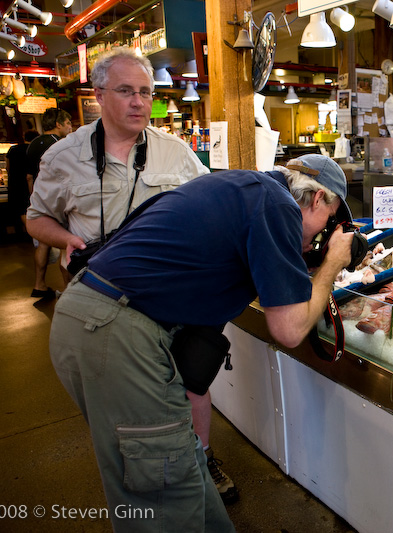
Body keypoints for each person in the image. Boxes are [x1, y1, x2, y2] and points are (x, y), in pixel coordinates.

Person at [47, 155, 355, 531]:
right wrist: (331, 265)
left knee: (186, 477)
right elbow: (289, 330)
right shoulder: (276, 204)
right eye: (330, 219)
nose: (325, 233)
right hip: (116, 331)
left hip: (97, 318)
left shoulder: (244, 188)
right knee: (163, 492)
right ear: (318, 198)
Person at [26, 47, 238, 504]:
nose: (139, 102)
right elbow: (36, 217)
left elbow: (211, 202)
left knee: (192, 379)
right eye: (126, 91)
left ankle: (201, 460)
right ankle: (149, 470)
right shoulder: (63, 156)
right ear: (99, 94)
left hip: (171, 293)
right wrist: (66, 239)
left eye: (146, 92)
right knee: (125, 401)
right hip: (105, 297)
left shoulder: (175, 151)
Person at [25, 108, 72, 300]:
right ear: (58, 124)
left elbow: (29, 176)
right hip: (58, 202)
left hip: (41, 200)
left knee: (43, 245)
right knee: (65, 249)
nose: (70, 127)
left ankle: (39, 284)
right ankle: (69, 292)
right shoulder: (60, 145)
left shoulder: (33, 143)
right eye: (68, 123)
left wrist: (36, 201)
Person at [5, 130, 38, 233]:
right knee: (30, 209)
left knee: (22, 211)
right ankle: (35, 234)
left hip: (15, 183)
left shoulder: (13, 149)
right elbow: (30, 175)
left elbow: (7, 167)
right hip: (28, 185)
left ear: (24, 138)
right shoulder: (33, 150)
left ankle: (33, 233)